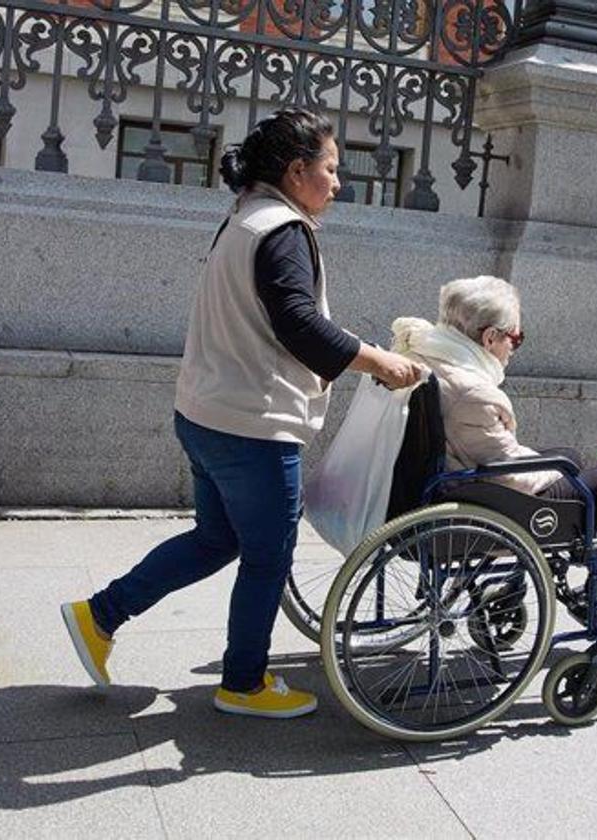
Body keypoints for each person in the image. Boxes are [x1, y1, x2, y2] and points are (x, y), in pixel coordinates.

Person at [61, 107, 422, 718]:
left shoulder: (245, 219)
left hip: (207, 414)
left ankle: (99, 616)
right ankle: (244, 684)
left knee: (216, 538)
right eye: (330, 169)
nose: (338, 183)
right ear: (296, 169)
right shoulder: (283, 229)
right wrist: (378, 361)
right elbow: (299, 326)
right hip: (252, 427)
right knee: (267, 556)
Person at [391, 275, 597, 644]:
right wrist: (554, 469)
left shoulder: (426, 355)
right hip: (472, 501)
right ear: (490, 338)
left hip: (439, 482)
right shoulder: (473, 393)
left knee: (571, 458)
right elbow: (512, 477)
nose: (514, 348)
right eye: (515, 338)